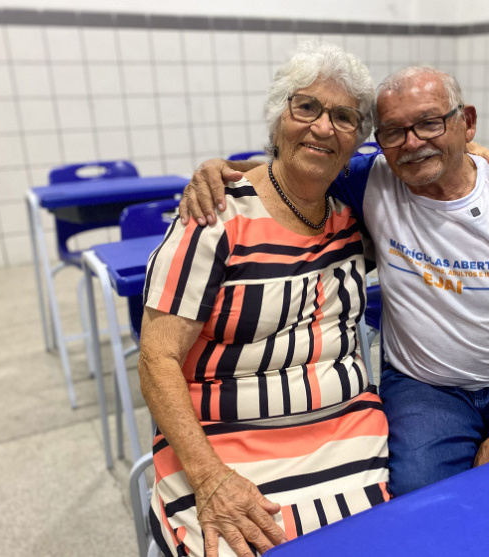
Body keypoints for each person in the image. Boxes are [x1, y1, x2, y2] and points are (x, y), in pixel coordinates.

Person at [181, 65, 489, 498]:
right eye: (393, 131)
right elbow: (294, 170)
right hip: (424, 386)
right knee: (422, 503)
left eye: (430, 123)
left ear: (466, 122)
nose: (412, 143)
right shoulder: (372, 178)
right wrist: (218, 168)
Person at [138, 43, 390, 557]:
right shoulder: (213, 220)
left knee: (405, 536)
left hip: (350, 432)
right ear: (278, 118)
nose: (324, 127)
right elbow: (155, 357)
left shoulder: (353, 214)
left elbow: (425, 157)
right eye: (307, 108)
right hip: (222, 448)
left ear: (355, 143)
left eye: (344, 117)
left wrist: (476, 153)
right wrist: (210, 478)